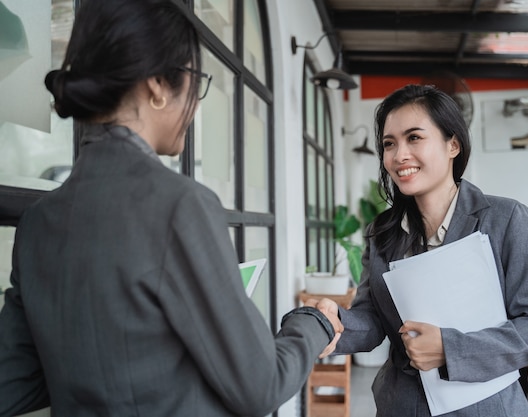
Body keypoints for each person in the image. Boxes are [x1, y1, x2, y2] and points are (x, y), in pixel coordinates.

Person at [0, 1, 341, 416]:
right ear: (159, 84)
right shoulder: (180, 206)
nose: (195, 105)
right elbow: (262, 384)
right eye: (194, 81)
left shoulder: (36, 222)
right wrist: (314, 322)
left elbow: (12, 383)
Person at [314, 84, 528, 416]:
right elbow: (374, 319)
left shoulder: (505, 219)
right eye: (389, 144)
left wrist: (451, 349)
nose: (398, 155)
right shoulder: (383, 232)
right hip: (402, 406)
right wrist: (331, 323)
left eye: (414, 138)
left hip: (485, 408)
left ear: (453, 145)